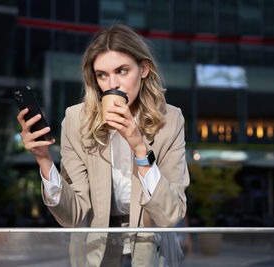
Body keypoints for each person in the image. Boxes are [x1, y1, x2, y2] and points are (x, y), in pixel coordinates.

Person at [17, 24, 190, 266]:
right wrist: (43, 159)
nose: (113, 84)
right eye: (102, 75)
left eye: (122, 71)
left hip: (152, 247)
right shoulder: (76, 120)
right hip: (95, 249)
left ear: (143, 68)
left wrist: (139, 147)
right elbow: (72, 214)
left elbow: (170, 214)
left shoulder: (170, 120)